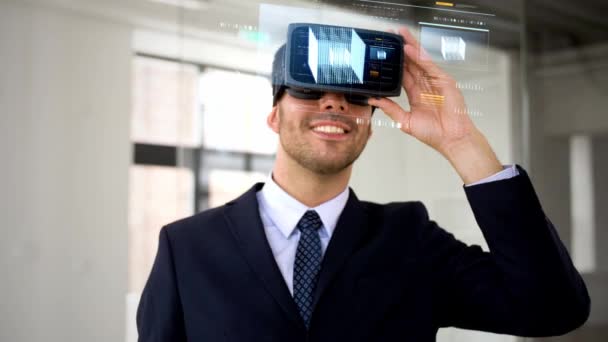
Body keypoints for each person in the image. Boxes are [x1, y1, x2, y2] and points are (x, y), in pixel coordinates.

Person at [136, 27, 590, 341]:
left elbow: (552, 309)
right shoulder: (188, 246)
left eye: (356, 97)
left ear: (370, 126)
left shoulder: (410, 239)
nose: (334, 102)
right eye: (308, 89)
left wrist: (462, 142)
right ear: (274, 115)